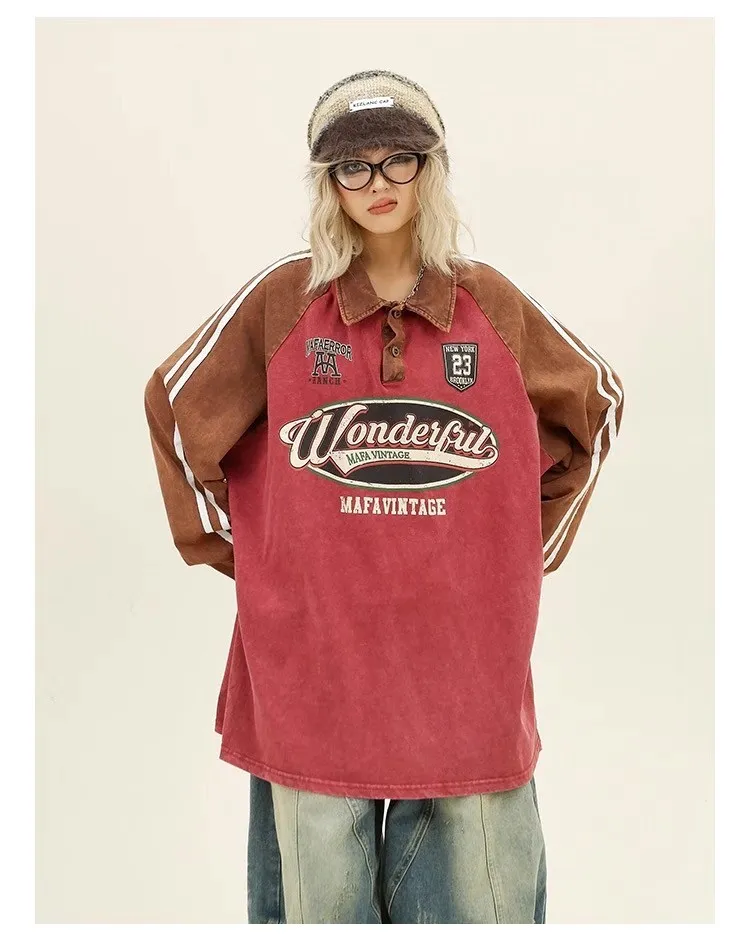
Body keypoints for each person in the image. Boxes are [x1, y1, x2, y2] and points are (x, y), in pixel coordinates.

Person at [144, 69, 625, 924]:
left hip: (465, 668)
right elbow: (176, 410)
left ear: (431, 168)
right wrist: (259, 561)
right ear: (327, 183)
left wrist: (521, 550)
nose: (379, 183)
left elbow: (598, 406)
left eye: (400, 159)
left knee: (482, 906)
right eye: (353, 166)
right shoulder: (284, 302)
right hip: (316, 665)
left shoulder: (489, 304)